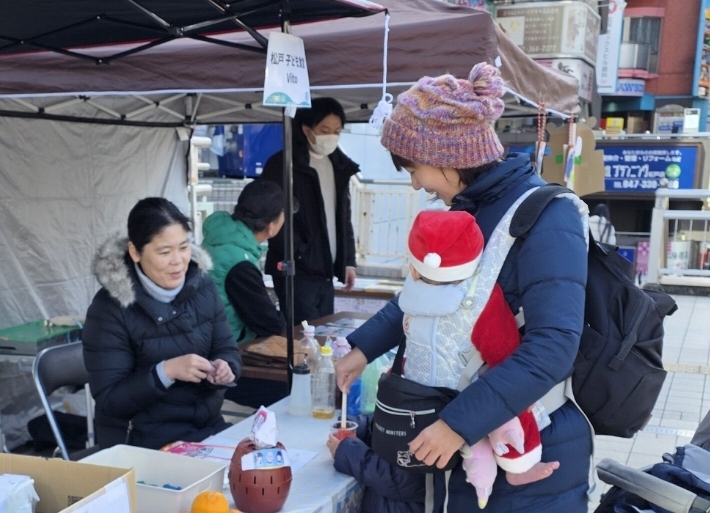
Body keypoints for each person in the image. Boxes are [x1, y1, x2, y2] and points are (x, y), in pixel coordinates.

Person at [335, 63, 592, 512]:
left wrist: (457, 424)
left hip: (528, 454)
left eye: (413, 167)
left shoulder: (549, 216)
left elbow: (554, 345)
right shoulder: (465, 209)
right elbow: (426, 298)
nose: (415, 183)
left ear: (447, 157)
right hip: (464, 444)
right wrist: (363, 348)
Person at [400, 209, 558, 508]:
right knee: (510, 418)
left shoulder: (412, 292)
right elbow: (504, 350)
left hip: (425, 392)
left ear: (417, 267)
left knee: (473, 449)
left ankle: (482, 484)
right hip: (473, 394)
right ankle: (519, 464)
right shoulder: (482, 298)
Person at [83, 197, 242, 450]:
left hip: (206, 427)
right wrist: (166, 372)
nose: (178, 260)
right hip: (143, 442)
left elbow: (227, 348)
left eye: (184, 247)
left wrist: (226, 367)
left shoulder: (203, 285)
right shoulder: (109, 309)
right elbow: (110, 402)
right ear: (135, 252)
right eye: (164, 252)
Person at [261, 97, 359, 323]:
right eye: (324, 130)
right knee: (303, 334)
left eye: (337, 131)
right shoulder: (283, 165)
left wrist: (348, 261)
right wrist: (300, 253)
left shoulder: (339, 166)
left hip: (327, 270)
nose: (331, 136)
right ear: (306, 129)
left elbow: (343, 218)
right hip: (296, 271)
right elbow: (270, 215)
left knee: (324, 332)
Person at [201, 180, 290, 409]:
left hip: (212, 353)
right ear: (271, 226)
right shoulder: (239, 263)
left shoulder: (220, 241)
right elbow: (270, 324)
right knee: (294, 386)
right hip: (223, 364)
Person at [327, 414, 425, 513]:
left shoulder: (434, 430)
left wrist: (347, 451)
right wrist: (360, 427)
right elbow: (395, 423)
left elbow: (402, 478)